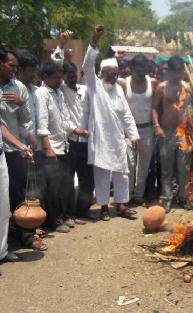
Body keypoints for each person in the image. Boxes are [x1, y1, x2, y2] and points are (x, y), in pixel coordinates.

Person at [82, 25, 139, 221]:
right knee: (103, 175)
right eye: (112, 72)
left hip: (118, 139)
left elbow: (127, 115)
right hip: (101, 140)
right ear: (102, 72)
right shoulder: (94, 85)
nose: (115, 75)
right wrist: (94, 41)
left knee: (122, 173)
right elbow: (87, 65)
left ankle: (121, 205)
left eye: (117, 72)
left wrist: (134, 135)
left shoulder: (119, 90)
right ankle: (104, 207)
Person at [0, 57, 32, 276]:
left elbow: (0, 125)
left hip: (1, 157)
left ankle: (0, 251)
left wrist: (20, 145)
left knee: (3, 208)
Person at [0, 48, 37, 248]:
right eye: (11, 65)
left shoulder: (19, 87)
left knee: (18, 194)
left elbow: (26, 119)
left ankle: (25, 235)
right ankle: (0, 240)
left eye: (17, 67)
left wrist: (22, 103)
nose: (15, 70)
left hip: (14, 150)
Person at [51, 30, 95, 221]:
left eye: (73, 74)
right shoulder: (60, 91)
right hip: (70, 142)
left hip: (86, 143)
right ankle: (68, 213)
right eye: (68, 75)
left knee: (87, 179)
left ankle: (83, 210)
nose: (71, 77)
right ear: (62, 77)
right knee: (68, 180)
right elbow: (55, 64)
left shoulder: (85, 90)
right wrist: (61, 45)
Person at [36, 60, 78, 233]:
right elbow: (42, 123)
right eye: (56, 78)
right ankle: (52, 220)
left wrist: (77, 130)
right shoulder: (42, 93)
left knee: (62, 185)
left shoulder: (58, 93)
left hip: (64, 146)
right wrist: (47, 147)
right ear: (45, 77)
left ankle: (62, 215)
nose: (60, 81)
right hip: (51, 148)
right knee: (51, 187)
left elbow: (65, 119)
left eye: (61, 77)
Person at [15, 49, 48, 250]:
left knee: (33, 189)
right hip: (17, 146)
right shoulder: (14, 90)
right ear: (19, 70)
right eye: (30, 71)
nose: (33, 75)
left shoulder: (35, 90)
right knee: (22, 191)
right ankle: (25, 234)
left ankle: (31, 226)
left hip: (32, 146)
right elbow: (21, 122)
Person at [152, 56, 192, 213]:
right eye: (174, 72)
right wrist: (157, 126)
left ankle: (183, 197)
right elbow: (155, 108)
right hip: (166, 133)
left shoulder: (188, 88)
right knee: (166, 169)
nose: (177, 75)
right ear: (168, 71)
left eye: (180, 72)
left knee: (184, 168)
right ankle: (167, 198)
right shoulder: (161, 88)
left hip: (183, 133)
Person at [119, 54, 158, 205]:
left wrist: (156, 126)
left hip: (147, 129)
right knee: (129, 164)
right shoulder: (123, 84)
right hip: (128, 131)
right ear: (132, 69)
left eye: (144, 69)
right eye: (138, 69)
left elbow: (156, 106)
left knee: (144, 166)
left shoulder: (152, 83)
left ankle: (138, 195)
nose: (141, 72)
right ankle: (126, 196)